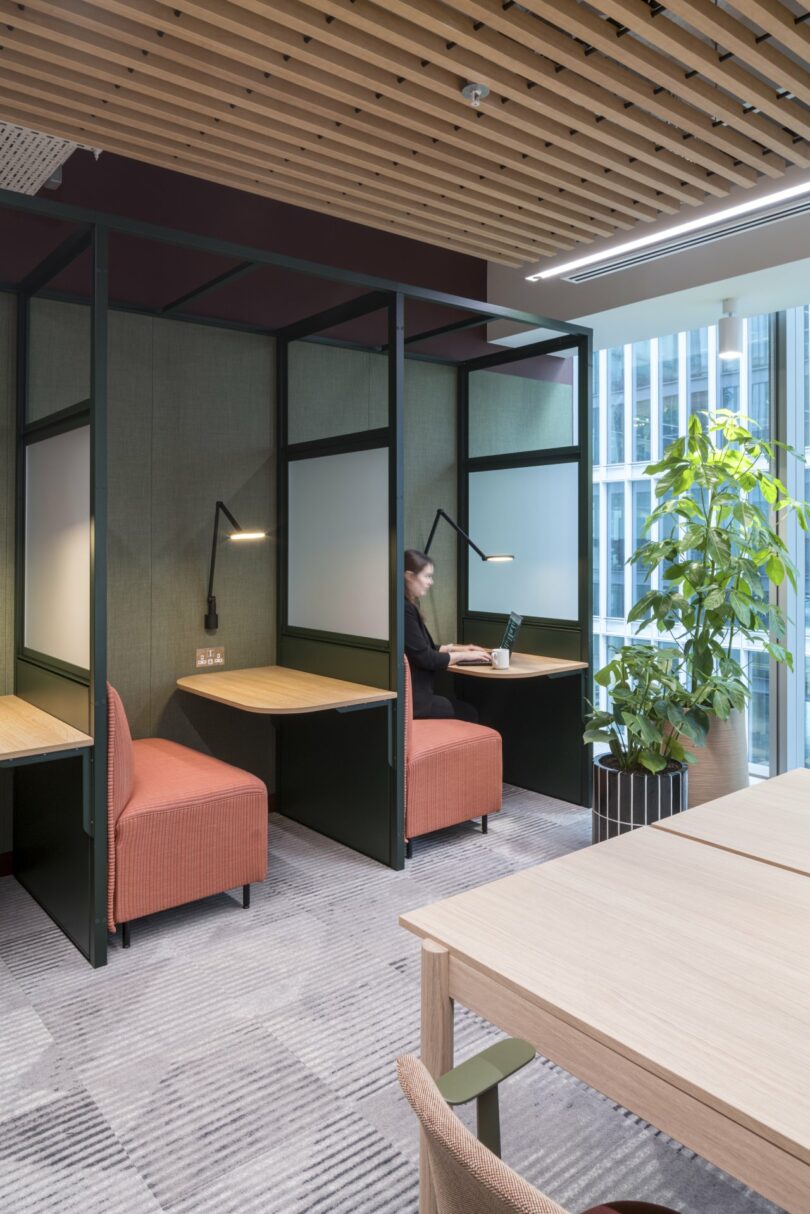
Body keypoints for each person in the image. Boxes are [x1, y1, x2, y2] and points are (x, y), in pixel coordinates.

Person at [404, 548, 491, 721]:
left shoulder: (405, 605)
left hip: (417, 697)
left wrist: (456, 648)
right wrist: (462, 656)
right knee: (469, 712)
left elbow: (420, 648)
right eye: (427, 576)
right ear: (409, 576)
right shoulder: (405, 609)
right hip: (416, 704)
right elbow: (425, 657)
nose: (431, 582)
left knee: (461, 704)